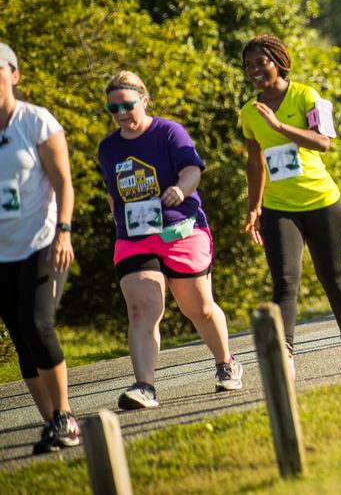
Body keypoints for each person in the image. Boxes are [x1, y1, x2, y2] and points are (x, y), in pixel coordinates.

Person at [97, 71, 242, 410]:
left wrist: (180, 189)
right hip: (134, 236)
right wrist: (119, 221)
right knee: (142, 308)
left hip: (181, 228)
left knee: (199, 308)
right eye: (112, 109)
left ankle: (226, 363)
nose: (120, 114)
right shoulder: (109, 147)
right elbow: (111, 192)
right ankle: (144, 387)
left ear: (144, 101)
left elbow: (193, 170)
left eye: (127, 106)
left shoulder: (168, 131)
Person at [240, 34, 341, 375]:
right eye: (249, 65)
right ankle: (286, 356)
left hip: (322, 201)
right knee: (284, 280)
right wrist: (254, 208)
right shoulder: (249, 113)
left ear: (278, 61)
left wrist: (279, 126)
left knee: (331, 275)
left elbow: (324, 143)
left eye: (261, 62)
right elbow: (255, 164)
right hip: (279, 207)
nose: (254, 70)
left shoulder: (305, 95)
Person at [0, 43, 80, 455]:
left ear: (13, 75)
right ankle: (51, 423)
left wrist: (63, 232)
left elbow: (64, 182)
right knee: (19, 332)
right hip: (2, 250)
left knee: (37, 323)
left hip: (42, 240)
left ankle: (66, 415)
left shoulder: (37, 122)